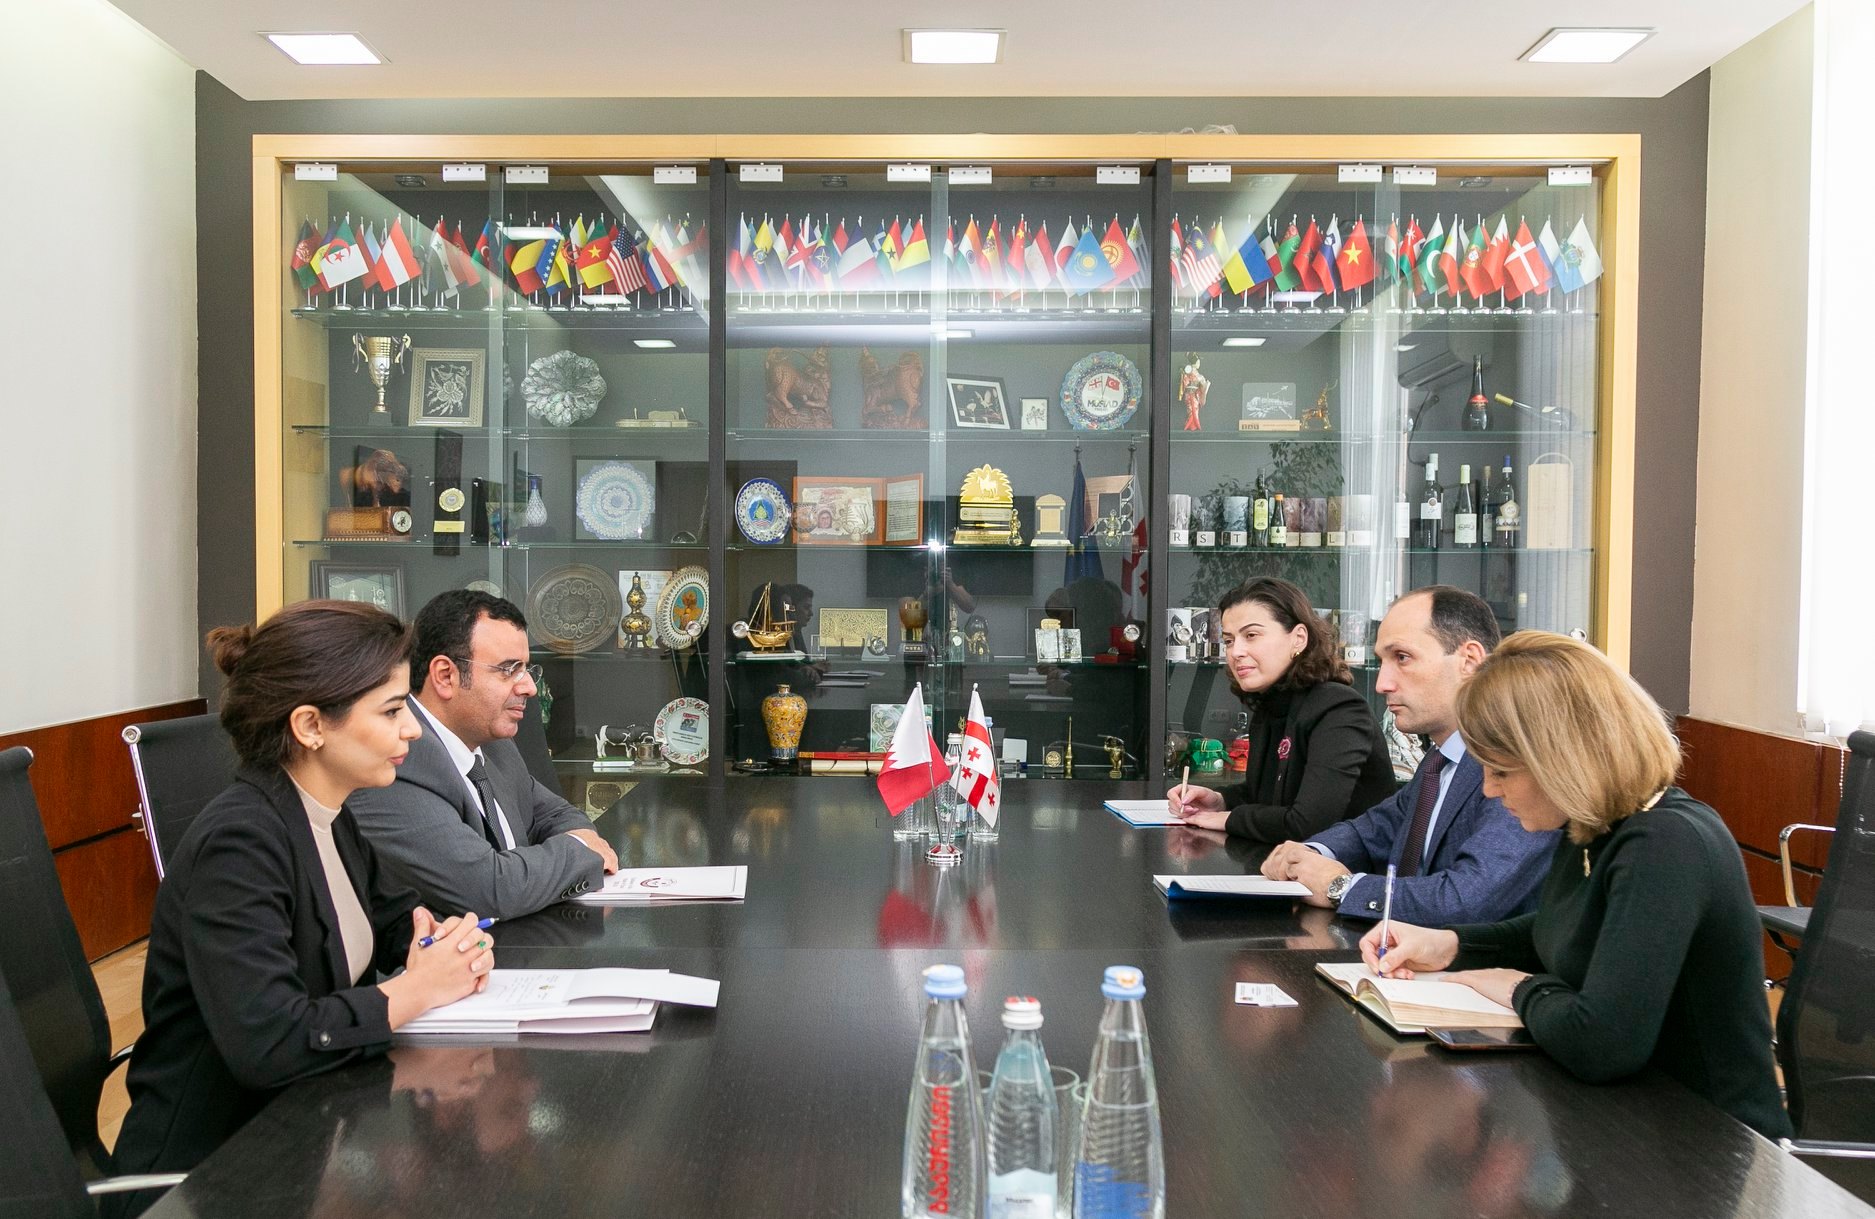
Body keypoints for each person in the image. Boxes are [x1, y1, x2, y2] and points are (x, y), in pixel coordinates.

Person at [108, 602, 495, 1217]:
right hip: (210, 1178)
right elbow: (271, 1043)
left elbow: (393, 918)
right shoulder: (240, 844)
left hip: (306, 1141)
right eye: (392, 711)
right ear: (311, 725)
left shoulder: (329, 815)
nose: (414, 730)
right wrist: (417, 990)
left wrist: (441, 939)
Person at [1360, 632, 1791, 1140]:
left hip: (1709, 1144)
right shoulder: (1594, 824)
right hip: (1624, 1124)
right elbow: (1562, 926)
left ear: (1563, 759)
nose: (1490, 790)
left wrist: (1517, 987)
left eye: (1501, 771)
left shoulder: (1665, 844)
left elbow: (1601, 1043)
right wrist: (1449, 945)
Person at [1259, 586, 1558, 923]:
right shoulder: (1440, 760)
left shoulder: (1519, 766)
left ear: (1469, 661)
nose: (1381, 684)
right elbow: (1374, 829)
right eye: (1382, 662)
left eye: (1402, 658)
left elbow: (1467, 899)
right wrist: (1307, 854)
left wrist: (1340, 887)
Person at [347, 591, 618, 920]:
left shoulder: (493, 741)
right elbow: (490, 889)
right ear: (445, 676)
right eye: (508, 669)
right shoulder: (399, 758)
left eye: (526, 669)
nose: (529, 687)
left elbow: (555, 814)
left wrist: (577, 841)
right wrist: (582, 851)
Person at [1167, 577, 1395, 842]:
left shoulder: (1340, 708)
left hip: (1346, 867)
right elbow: (1269, 797)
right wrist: (1220, 801)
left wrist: (1227, 819)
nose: (1236, 652)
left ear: (1298, 639)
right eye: (1229, 641)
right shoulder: (1271, 704)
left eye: (1251, 635)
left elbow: (1307, 824)